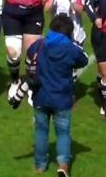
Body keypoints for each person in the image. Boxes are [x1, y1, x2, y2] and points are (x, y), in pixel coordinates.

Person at [30, 14, 88, 176]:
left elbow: (29, 53)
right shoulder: (70, 48)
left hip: (41, 96)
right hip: (62, 99)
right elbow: (83, 60)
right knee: (63, 133)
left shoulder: (41, 44)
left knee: (41, 131)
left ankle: (40, 166)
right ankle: (63, 166)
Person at [0, 0, 55, 101]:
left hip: (33, 14)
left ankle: (31, 86)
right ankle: (15, 80)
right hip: (12, 14)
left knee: (32, 55)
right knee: (13, 53)